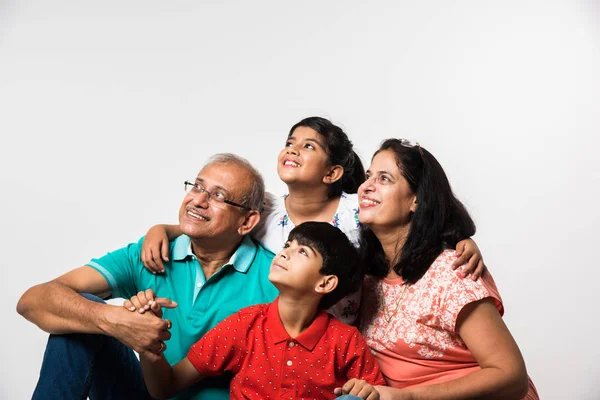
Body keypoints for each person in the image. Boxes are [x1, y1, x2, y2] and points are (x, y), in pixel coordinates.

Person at [141, 117, 486, 325]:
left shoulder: (358, 209)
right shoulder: (266, 210)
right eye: (290, 142)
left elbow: (410, 225)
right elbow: (220, 216)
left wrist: (459, 241)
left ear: (333, 172)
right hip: (281, 334)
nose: (292, 149)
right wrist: (164, 230)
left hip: (346, 337)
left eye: (308, 146)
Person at [16, 153, 279, 400]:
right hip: (144, 392)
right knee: (78, 318)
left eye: (218, 196)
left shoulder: (276, 279)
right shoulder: (150, 253)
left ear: (247, 222)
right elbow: (33, 301)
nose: (197, 200)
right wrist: (114, 320)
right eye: (197, 187)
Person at [356, 139, 539, 399]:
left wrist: (409, 397)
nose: (366, 187)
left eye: (384, 178)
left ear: (416, 200)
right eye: (368, 176)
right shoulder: (367, 278)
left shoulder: (453, 271)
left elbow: (511, 376)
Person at [126, 222, 385, 400]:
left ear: (325, 283)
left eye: (302, 252)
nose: (285, 254)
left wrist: (365, 391)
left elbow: (376, 391)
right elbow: (166, 386)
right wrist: (148, 342)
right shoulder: (245, 324)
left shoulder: (345, 340)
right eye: (288, 245)